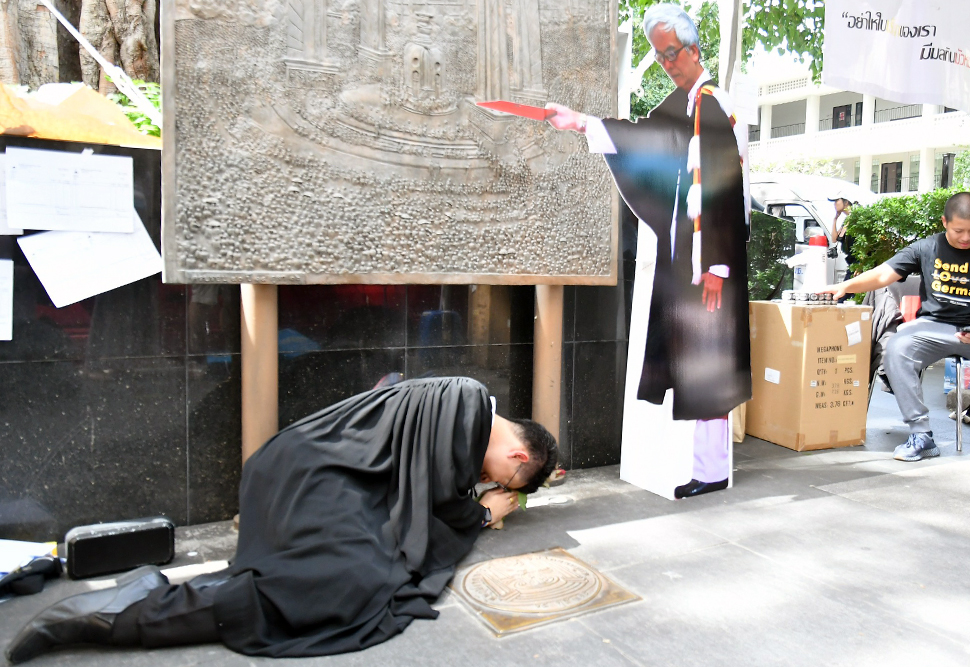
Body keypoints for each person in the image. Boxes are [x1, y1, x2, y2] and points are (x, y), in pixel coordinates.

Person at [6, 377, 558, 663]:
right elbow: (435, 498)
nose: (490, 487)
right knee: (341, 585)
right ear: (517, 458)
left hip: (316, 474)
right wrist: (482, 514)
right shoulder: (465, 405)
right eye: (504, 484)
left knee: (329, 569)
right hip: (314, 478)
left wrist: (475, 505)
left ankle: (141, 590)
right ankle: (105, 620)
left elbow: (421, 488)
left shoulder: (464, 405)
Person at [545, 4, 750, 498]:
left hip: (707, 259)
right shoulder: (684, 104)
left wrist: (716, 266)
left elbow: (723, 191)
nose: (667, 63)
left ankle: (710, 470)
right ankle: (699, 465)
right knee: (696, 360)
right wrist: (581, 124)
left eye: (672, 53)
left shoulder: (711, 105)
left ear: (695, 50)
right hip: (689, 254)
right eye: (659, 57)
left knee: (708, 362)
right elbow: (643, 137)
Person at [822, 192, 970, 465]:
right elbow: (883, 274)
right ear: (944, 222)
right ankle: (921, 435)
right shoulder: (926, 248)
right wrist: (844, 287)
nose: (966, 238)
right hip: (933, 327)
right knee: (896, 347)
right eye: (958, 231)